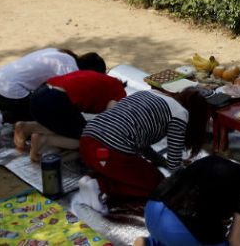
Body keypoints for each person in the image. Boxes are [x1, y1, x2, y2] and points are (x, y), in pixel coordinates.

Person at [77, 87, 209, 212]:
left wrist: (161, 161)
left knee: (115, 170)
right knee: (156, 185)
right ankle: (99, 185)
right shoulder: (180, 113)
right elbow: (174, 163)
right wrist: (188, 180)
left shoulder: (151, 92)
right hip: (111, 152)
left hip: (87, 142)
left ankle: (90, 179)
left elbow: (141, 142)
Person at [133, 155, 240, 246]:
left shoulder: (217, 163)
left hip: (152, 209)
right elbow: (236, 242)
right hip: (178, 229)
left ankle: (150, 243)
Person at [13, 70, 128, 161]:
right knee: (85, 140)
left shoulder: (106, 80)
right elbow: (111, 120)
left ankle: (27, 127)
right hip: (56, 100)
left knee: (67, 127)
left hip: (39, 95)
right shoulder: (119, 94)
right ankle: (43, 139)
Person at [0, 48, 106, 126]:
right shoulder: (71, 70)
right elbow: (66, 99)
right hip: (8, 90)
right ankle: (2, 117)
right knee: (39, 112)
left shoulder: (63, 54)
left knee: (31, 97)